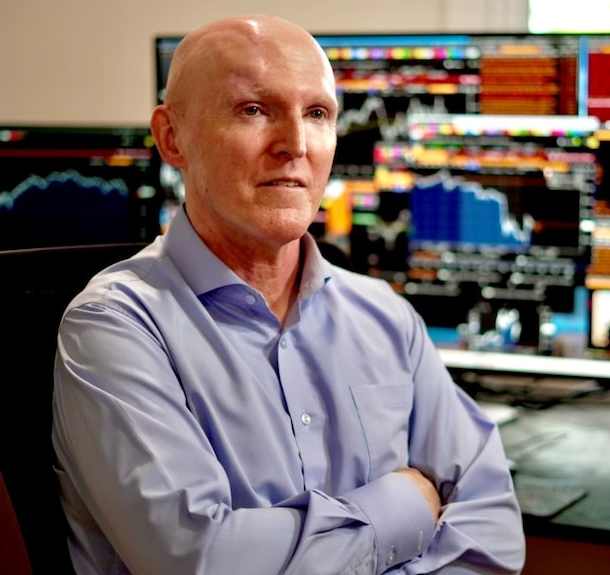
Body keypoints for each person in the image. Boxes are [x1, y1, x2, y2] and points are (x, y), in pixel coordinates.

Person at [52, 14, 525, 575]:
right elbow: (199, 561)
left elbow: (491, 524)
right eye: (254, 110)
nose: (296, 145)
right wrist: (403, 509)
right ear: (171, 137)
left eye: (318, 113)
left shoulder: (384, 316)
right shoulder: (114, 327)